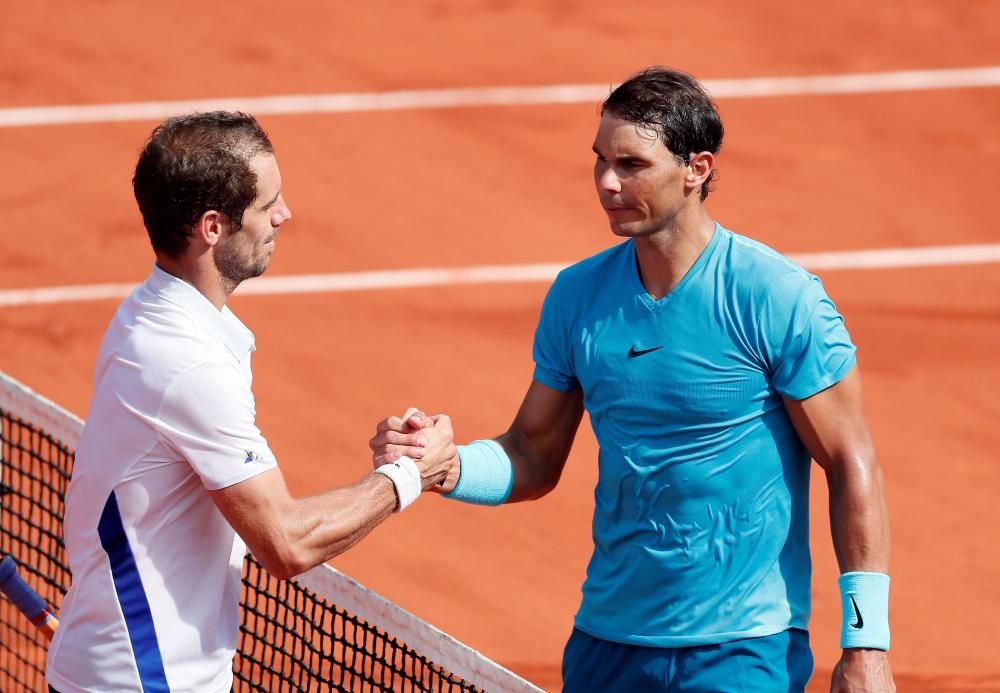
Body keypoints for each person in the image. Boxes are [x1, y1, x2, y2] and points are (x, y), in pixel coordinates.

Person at [370, 68, 894, 692]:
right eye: (599, 161)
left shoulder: (776, 297)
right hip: (609, 640)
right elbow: (533, 453)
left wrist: (866, 644)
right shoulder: (578, 297)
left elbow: (849, 459)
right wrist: (447, 466)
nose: (607, 183)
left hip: (743, 647)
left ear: (696, 168)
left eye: (631, 164)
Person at [45, 112, 454, 693]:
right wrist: (409, 475)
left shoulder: (156, 315)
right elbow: (286, 543)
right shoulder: (188, 361)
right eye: (269, 204)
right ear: (213, 226)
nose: (285, 215)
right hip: (147, 680)